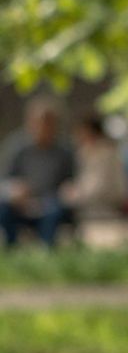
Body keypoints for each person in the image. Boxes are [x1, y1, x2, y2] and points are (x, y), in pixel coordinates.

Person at [0, 97, 79, 249]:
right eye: (40, 122)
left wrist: (69, 190)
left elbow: (72, 180)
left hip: (51, 202)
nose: (44, 127)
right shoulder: (17, 148)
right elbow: (4, 180)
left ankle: (46, 251)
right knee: (3, 208)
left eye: (49, 123)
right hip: (21, 203)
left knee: (55, 209)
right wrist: (13, 190)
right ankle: (12, 249)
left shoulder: (64, 151)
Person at [69, 113, 128, 221]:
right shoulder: (86, 153)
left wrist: (76, 194)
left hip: (107, 204)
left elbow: (100, 188)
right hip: (95, 201)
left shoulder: (106, 154)